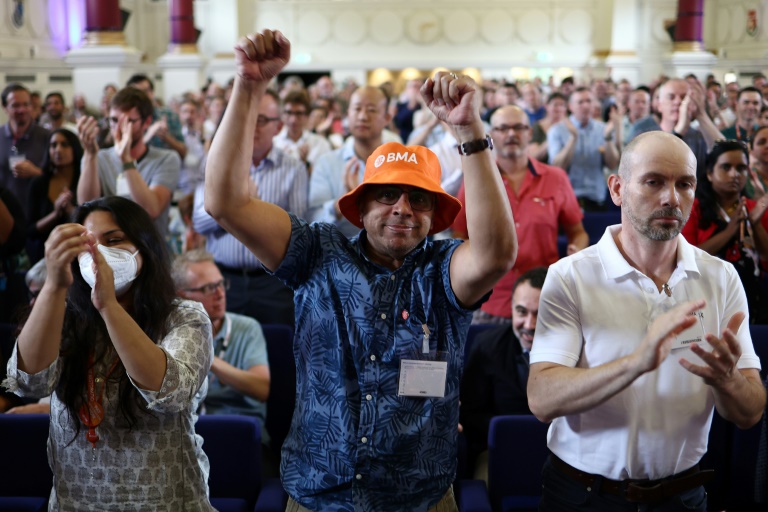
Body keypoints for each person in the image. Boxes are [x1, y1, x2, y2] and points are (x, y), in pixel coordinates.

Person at [204, 30, 517, 511]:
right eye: (387, 195)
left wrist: (470, 132)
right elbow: (225, 202)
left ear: (435, 215)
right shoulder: (316, 251)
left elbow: (496, 254)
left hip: (421, 498)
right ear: (361, 205)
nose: (402, 209)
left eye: (418, 199)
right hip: (318, 493)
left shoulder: (442, 269)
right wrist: (249, 86)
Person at [528, 131, 765, 511]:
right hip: (584, 495)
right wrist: (636, 362)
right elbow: (541, 399)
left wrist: (727, 380)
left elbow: (750, 411)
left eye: (684, 184)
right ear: (618, 189)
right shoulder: (571, 275)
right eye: (654, 181)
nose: (672, 197)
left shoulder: (720, 278)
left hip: (682, 495)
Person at [2, 196, 214, 510]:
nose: (99, 254)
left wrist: (109, 307)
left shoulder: (184, 317)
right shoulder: (63, 316)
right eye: (88, 245)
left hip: (166, 502)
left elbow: (170, 392)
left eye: (114, 241)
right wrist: (54, 285)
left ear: (145, 249)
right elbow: (28, 383)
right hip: (76, 503)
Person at [453, 105, 587, 324]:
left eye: (518, 128)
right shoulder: (476, 181)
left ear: (530, 133)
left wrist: (577, 251)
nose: (511, 134)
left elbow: (577, 232)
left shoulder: (556, 178)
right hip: (489, 301)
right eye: (503, 128)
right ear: (492, 135)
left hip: (543, 298)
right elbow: (458, 236)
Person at [193, 88, 307, 328]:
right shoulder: (216, 164)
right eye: (248, 118)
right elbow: (200, 222)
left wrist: (247, 210)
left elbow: (296, 233)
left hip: (272, 284)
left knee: (276, 354)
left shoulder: (292, 168)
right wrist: (233, 207)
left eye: (262, 119)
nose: (252, 125)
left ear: (278, 127)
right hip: (223, 281)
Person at [459, 267, 546, 481]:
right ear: (512, 309)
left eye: (541, 313)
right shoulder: (487, 347)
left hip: (562, 453)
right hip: (498, 450)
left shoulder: (579, 352)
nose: (529, 324)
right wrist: (515, 433)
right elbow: (471, 415)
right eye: (522, 311)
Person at [171, 249, 270, 431]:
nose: (220, 293)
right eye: (208, 288)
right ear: (182, 295)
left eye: (221, 284)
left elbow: (261, 389)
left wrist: (207, 358)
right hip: (190, 429)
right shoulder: (172, 333)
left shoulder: (247, 328)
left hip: (236, 429)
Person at [77, 87, 181, 240]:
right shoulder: (98, 157)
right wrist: (90, 155)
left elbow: (151, 210)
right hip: (107, 248)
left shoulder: (166, 159)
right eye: (113, 120)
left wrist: (127, 160)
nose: (118, 129)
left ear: (147, 122)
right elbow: (86, 206)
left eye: (129, 121)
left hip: (149, 249)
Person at [681, 140, 768, 324]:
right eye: (726, 167)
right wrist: (730, 231)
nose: (735, 174)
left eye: (741, 168)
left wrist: (755, 224)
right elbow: (685, 258)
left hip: (750, 295)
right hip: (702, 296)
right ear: (710, 174)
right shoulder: (692, 209)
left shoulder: (755, 209)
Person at [547, 87, 620, 210]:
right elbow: (557, 167)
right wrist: (573, 138)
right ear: (570, 106)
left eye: (589, 101)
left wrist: (607, 138)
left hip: (596, 198)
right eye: (580, 102)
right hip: (567, 199)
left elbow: (612, 164)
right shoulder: (557, 130)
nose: (585, 106)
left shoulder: (603, 129)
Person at [26, 128, 82, 264]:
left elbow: (93, 224)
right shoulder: (39, 183)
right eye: (53, 145)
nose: (58, 150)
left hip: (80, 254)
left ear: (75, 148)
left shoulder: (84, 180)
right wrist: (56, 213)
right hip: (45, 255)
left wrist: (70, 210)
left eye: (65, 144)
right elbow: (31, 230)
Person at [0, 83, 50, 218]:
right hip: (4, 216)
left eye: (26, 104)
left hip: (38, 215)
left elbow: (59, 177)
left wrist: (37, 172)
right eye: (15, 105)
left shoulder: (47, 137)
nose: (22, 110)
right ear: (5, 107)